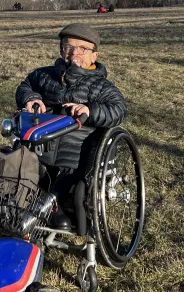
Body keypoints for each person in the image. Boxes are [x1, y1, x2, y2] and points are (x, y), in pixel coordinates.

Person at [15, 23, 126, 229]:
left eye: (83, 49)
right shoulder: (43, 76)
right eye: (69, 47)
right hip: (40, 147)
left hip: (76, 152)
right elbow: (25, 86)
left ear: (94, 56)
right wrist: (31, 98)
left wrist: (89, 110)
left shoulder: (102, 87)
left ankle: (54, 208)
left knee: (69, 187)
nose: (75, 53)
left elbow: (118, 110)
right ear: (61, 50)